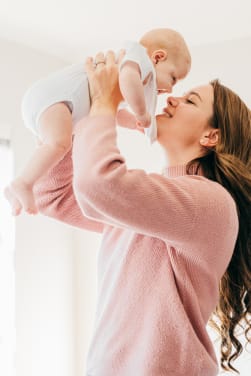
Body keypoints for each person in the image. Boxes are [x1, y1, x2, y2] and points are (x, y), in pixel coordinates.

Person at [7, 51, 251, 375]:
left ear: (211, 136)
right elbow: (51, 194)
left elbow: (99, 185)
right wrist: (76, 114)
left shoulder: (212, 203)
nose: (173, 99)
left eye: (190, 101)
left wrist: (104, 105)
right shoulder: (148, 205)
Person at [4, 28, 191, 216]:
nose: (170, 90)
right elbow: (127, 80)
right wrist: (142, 113)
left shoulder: (130, 74)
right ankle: (23, 183)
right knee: (59, 143)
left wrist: (134, 123)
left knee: (50, 147)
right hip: (54, 98)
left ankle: (19, 186)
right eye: (173, 78)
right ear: (158, 57)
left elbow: (110, 110)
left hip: (51, 103)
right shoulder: (138, 60)